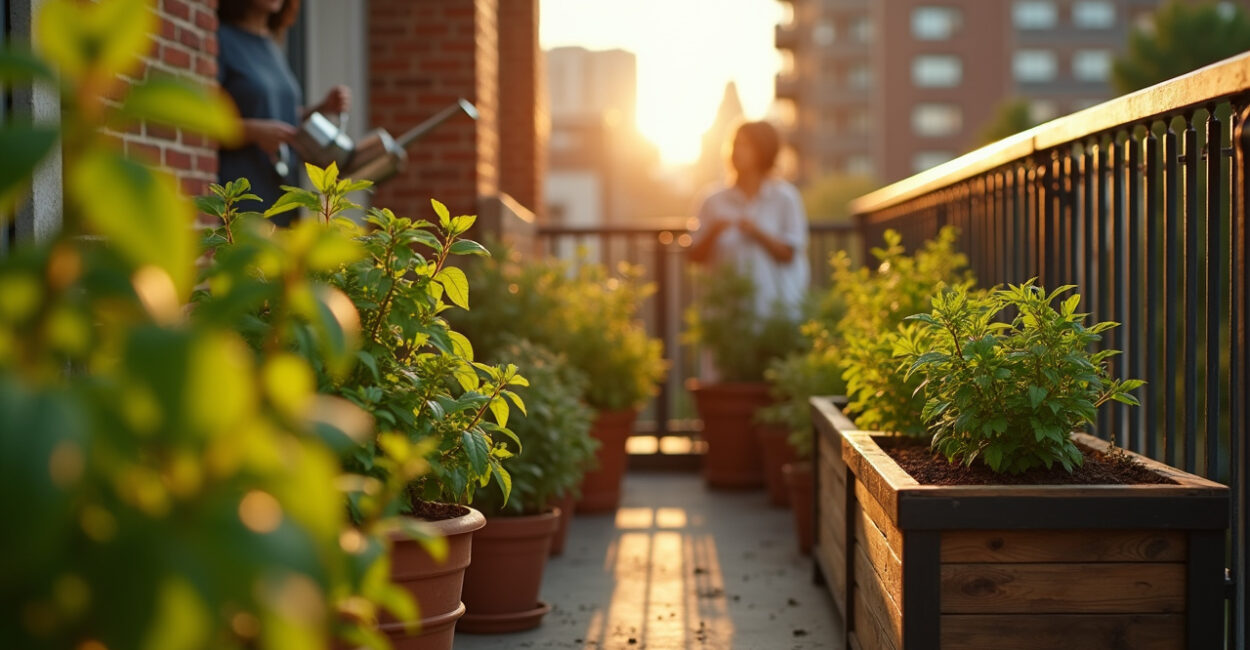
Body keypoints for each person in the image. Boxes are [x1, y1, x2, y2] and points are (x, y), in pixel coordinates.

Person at [217, 0, 350, 223]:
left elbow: (276, 114)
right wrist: (254, 133)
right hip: (242, 200)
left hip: (282, 197)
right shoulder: (221, 40)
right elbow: (201, 125)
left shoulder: (272, 45)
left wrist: (322, 108)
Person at [688, 120, 809, 323]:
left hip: (774, 313)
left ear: (763, 150)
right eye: (734, 144)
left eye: (745, 145)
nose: (736, 151)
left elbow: (789, 253)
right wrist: (714, 231)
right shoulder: (712, 199)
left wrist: (757, 232)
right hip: (723, 313)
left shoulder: (785, 197)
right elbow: (693, 256)